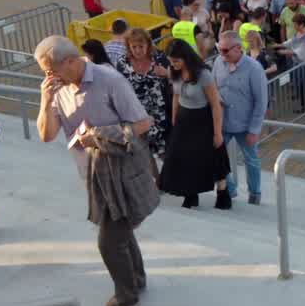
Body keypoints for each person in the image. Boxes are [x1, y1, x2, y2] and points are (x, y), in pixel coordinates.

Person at [34, 35, 155, 306]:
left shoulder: (109, 80)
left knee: (109, 240)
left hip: (121, 171)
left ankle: (128, 300)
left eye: (52, 70)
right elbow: (46, 134)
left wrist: (100, 135)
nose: (49, 77)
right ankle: (137, 280)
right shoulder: (57, 90)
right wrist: (45, 99)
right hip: (91, 172)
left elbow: (142, 124)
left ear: (72, 61)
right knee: (120, 225)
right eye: (44, 72)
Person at [159, 39, 231, 209]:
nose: (173, 64)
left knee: (214, 155)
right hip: (184, 118)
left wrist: (217, 132)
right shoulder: (174, 71)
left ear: (185, 58)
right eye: (170, 61)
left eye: (176, 61)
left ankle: (223, 193)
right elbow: (176, 95)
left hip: (202, 119)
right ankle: (190, 194)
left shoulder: (203, 74)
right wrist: (175, 118)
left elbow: (215, 104)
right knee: (182, 157)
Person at [213, 30, 267, 206]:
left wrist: (254, 130)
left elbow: (261, 101)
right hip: (223, 123)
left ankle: (255, 193)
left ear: (237, 48)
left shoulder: (254, 68)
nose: (221, 54)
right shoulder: (218, 63)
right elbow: (214, 90)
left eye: (225, 51)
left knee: (251, 159)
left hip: (245, 124)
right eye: (219, 49)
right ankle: (229, 188)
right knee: (215, 155)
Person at [114, 28, 170, 163]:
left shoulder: (159, 58)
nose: (138, 50)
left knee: (167, 154)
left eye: (141, 46)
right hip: (137, 117)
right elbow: (117, 88)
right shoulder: (122, 63)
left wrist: (167, 74)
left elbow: (178, 80)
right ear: (128, 47)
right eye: (134, 47)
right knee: (145, 158)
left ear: (148, 45)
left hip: (162, 115)